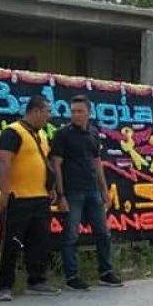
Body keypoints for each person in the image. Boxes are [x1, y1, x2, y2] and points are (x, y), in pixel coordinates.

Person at [0, 93, 60, 300]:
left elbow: (43, 162)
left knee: (39, 242)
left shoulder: (42, 135)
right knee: (11, 243)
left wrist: (51, 186)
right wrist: (4, 192)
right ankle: (4, 286)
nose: (49, 117)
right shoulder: (13, 132)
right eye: (47, 112)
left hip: (40, 197)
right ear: (36, 111)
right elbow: (3, 163)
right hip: (18, 197)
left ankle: (37, 281)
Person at [50, 95, 124, 291]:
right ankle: (72, 276)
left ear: (89, 113)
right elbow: (56, 165)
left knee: (103, 233)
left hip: (92, 191)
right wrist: (60, 194)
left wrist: (104, 191)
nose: (75, 115)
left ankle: (106, 273)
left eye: (80, 111)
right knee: (71, 236)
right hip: (72, 191)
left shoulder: (93, 133)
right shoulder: (62, 134)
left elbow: (97, 164)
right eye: (73, 111)